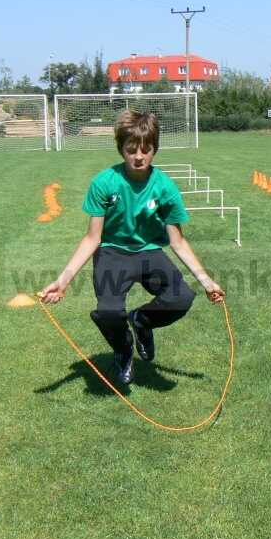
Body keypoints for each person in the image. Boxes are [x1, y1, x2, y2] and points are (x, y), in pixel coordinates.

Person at [41, 109, 225, 385]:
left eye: (146, 149)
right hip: (113, 253)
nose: (139, 156)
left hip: (150, 252)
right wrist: (63, 280)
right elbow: (92, 238)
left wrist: (207, 281)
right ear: (121, 149)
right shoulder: (105, 182)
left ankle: (142, 320)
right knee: (109, 312)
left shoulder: (165, 187)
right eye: (131, 150)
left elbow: (177, 241)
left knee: (182, 298)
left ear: (154, 149)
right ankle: (124, 350)